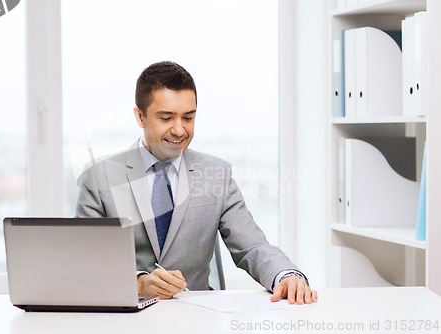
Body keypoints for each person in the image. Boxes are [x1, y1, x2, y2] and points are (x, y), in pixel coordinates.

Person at [76, 61, 317, 304]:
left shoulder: (216, 174)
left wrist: (286, 275)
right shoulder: (99, 179)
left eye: (188, 118)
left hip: (197, 315)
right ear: (140, 116)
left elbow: (252, 246)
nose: (179, 130)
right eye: (166, 118)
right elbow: (85, 261)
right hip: (126, 317)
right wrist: (139, 282)